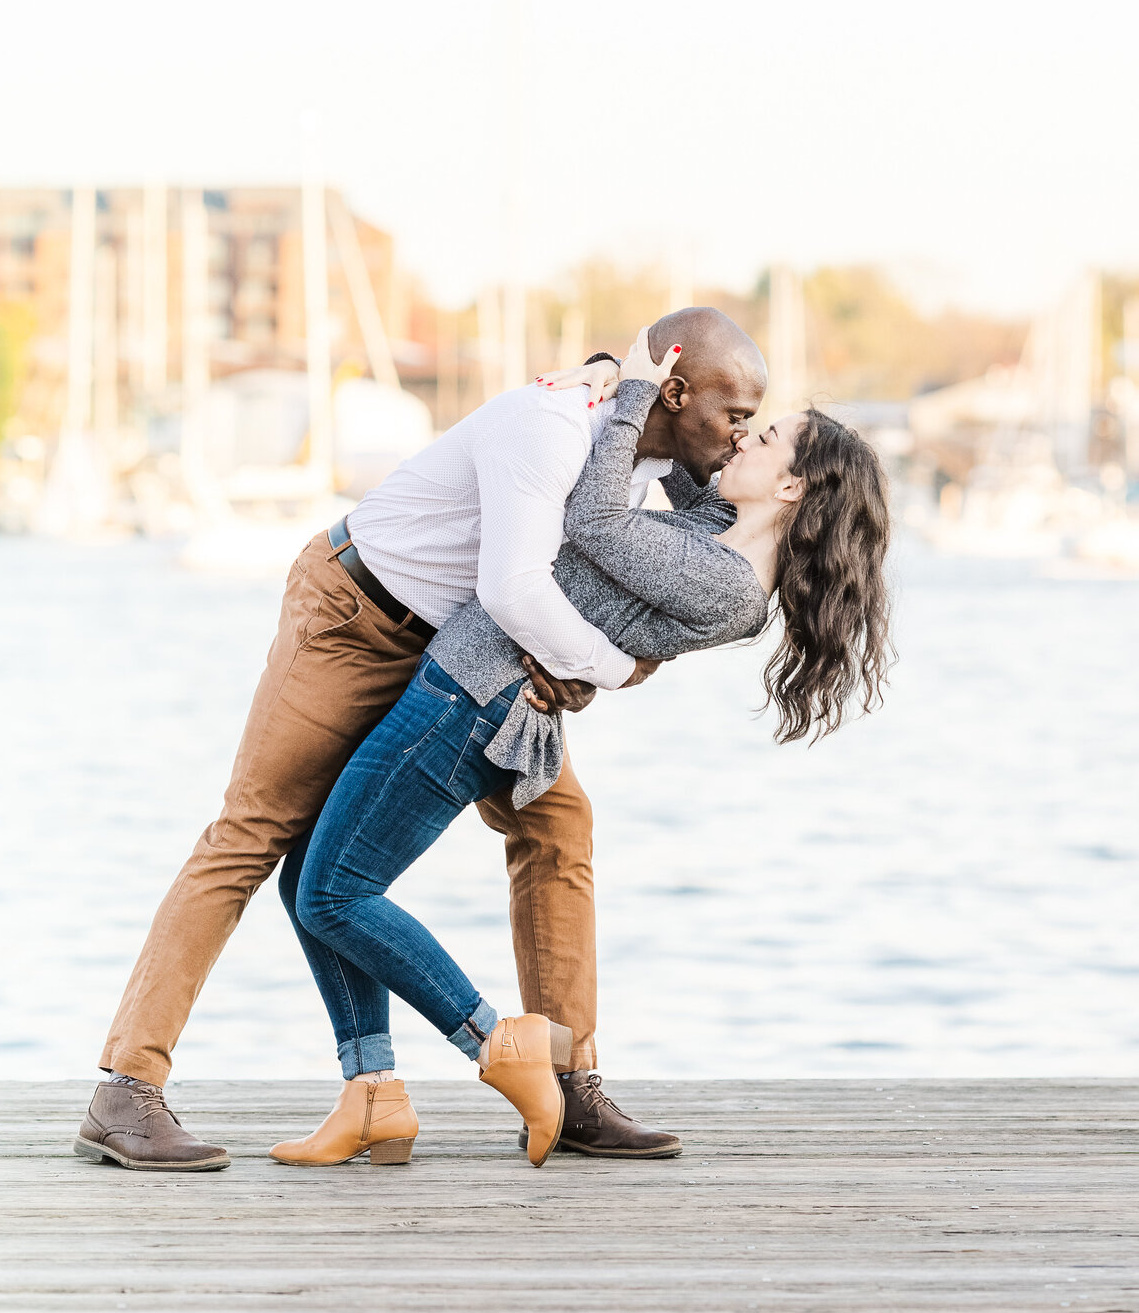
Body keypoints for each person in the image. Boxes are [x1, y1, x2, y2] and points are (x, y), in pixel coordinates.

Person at [75, 306, 768, 1171]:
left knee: (558, 829)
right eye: (734, 416)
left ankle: (570, 1084)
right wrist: (605, 671)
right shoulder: (549, 425)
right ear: (671, 388)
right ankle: (125, 1090)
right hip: (360, 616)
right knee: (256, 835)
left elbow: (693, 547)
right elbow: (517, 588)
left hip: (467, 662)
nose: (743, 437)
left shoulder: (645, 453)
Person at [267, 326, 893, 1168]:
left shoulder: (727, 579)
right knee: (309, 863)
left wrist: (634, 392)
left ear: (790, 485)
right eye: (746, 420)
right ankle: (373, 1092)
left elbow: (592, 518)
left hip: (472, 700)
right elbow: (675, 448)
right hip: (475, 683)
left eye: (766, 434)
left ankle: (496, 1042)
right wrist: (617, 371)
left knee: (334, 891)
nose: (744, 434)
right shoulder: (718, 529)